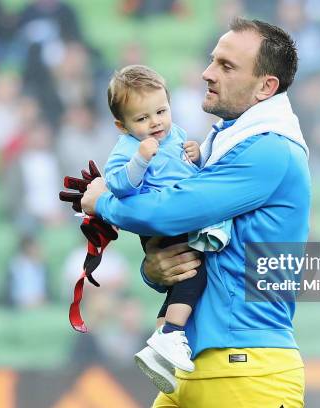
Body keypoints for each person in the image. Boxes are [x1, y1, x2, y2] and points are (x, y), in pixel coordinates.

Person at [81, 17, 309, 408]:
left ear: (265, 87)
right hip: (196, 365)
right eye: (212, 60)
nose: (207, 73)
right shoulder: (224, 140)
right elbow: (198, 247)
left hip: (246, 369)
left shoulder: (269, 149)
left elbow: (170, 212)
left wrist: (101, 200)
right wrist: (155, 268)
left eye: (226, 65)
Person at [103, 64, 233, 388]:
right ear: (122, 125)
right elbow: (117, 184)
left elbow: (184, 167)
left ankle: (160, 344)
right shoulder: (129, 149)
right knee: (193, 272)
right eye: (142, 119)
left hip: (181, 213)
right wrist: (140, 160)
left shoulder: (173, 134)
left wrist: (196, 154)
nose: (155, 123)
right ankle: (174, 333)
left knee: (181, 280)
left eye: (161, 111)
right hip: (161, 220)